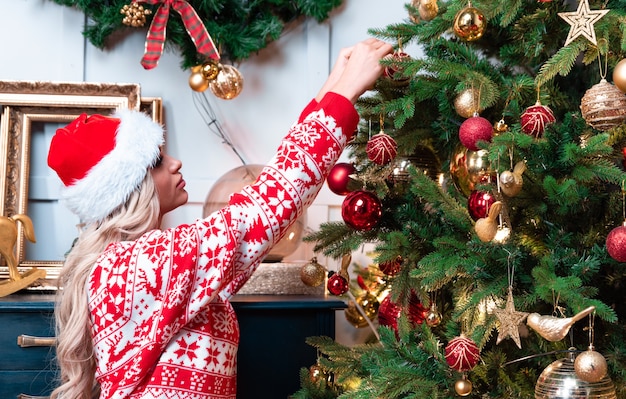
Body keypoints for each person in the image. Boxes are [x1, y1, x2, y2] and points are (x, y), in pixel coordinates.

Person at [47, 37, 393, 399]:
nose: (175, 163)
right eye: (156, 162)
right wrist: (348, 89)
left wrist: (335, 85)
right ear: (128, 190)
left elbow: (273, 188)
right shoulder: (148, 262)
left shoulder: (136, 260)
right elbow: (265, 206)